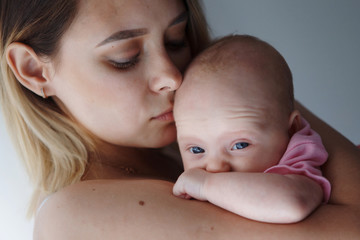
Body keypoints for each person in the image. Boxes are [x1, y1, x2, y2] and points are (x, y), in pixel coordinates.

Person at [0, 0, 359, 239]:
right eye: (125, 57)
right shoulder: (76, 216)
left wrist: (233, 82)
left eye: (175, 40)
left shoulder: (205, 142)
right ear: (34, 71)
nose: (172, 76)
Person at [173, 35, 331, 224]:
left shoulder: (297, 163)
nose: (215, 167)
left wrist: (206, 186)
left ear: (291, 130)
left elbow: (291, 205)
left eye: (240, 145)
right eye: (197, 150)